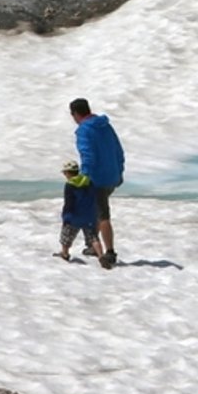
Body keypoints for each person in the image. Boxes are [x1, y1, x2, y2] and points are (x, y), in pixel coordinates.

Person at [68, 97, 125, 268]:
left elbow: (88, 157)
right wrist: (119, 171)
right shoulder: (105, 125)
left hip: (97, 179)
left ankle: (110, 252)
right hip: (112, 176)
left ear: (75, 114)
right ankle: (94, 246)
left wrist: (83, 178)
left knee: (102, 215)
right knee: (95, 212)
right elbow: (118, 150)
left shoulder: (84, 131)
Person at [57, 160, 102, 263]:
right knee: (93, 237)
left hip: (74, 216)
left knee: (66, 236)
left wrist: (65, 216)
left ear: (68, 173)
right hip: (89, 215)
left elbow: (69, 202)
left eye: (65, 173)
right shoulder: (89, 181)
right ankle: (100, 255)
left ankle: (65, 253)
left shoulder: (69, 185)